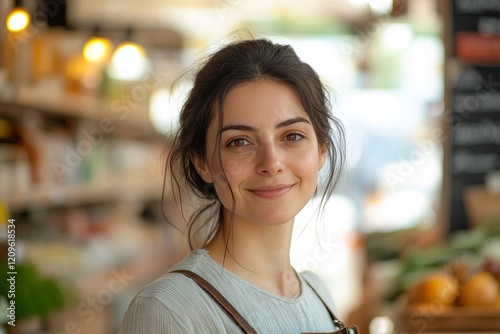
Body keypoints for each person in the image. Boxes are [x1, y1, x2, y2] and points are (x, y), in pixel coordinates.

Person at [119, 36, 349, 333]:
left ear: (321, 151)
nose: (271, 162)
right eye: (239, 142)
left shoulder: (318, 294)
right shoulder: (169, 311)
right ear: (202, 162)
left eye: (292, 136)